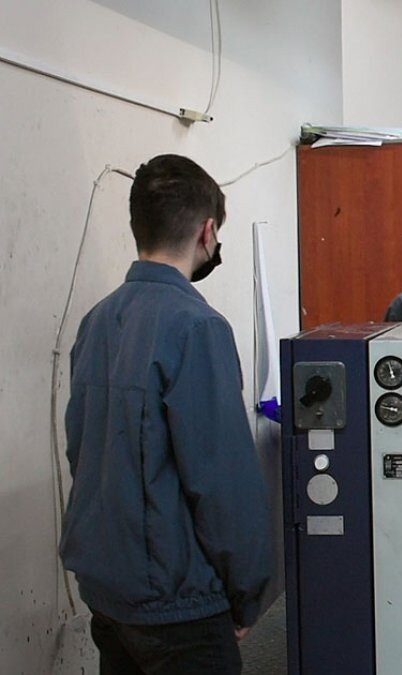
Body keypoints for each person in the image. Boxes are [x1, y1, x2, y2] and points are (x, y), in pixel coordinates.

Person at [59, 154, 272, 674]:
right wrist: (247, 593)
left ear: (139, 226)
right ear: (207, 231)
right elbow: (222, 481)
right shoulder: (198, 327)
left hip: (108, 593)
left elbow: (80, 450)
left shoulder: (97, 320)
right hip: (179, 606)